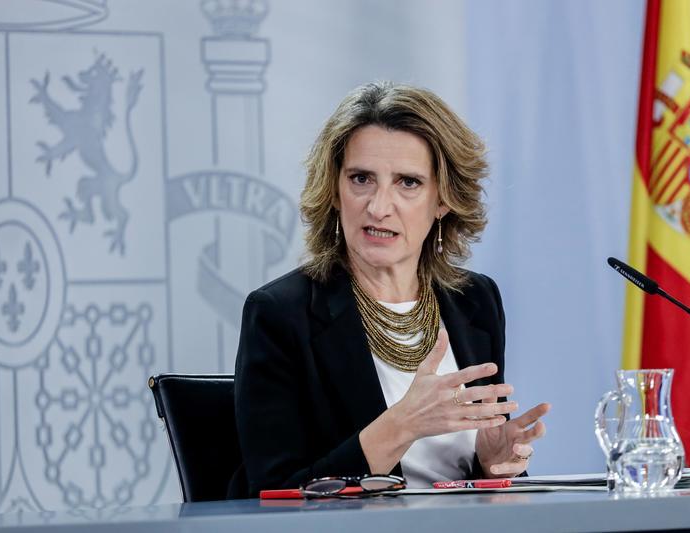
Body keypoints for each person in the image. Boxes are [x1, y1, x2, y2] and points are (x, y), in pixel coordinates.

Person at [227, 81, 550, 498]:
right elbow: (273, 495)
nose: (379, 207)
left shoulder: (474, 300)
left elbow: (471, 485)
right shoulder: (280, 313)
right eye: (361, 178)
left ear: (443, 200)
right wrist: (403, 424)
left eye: (408, 183)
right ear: (335, 190)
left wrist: (490, 464)